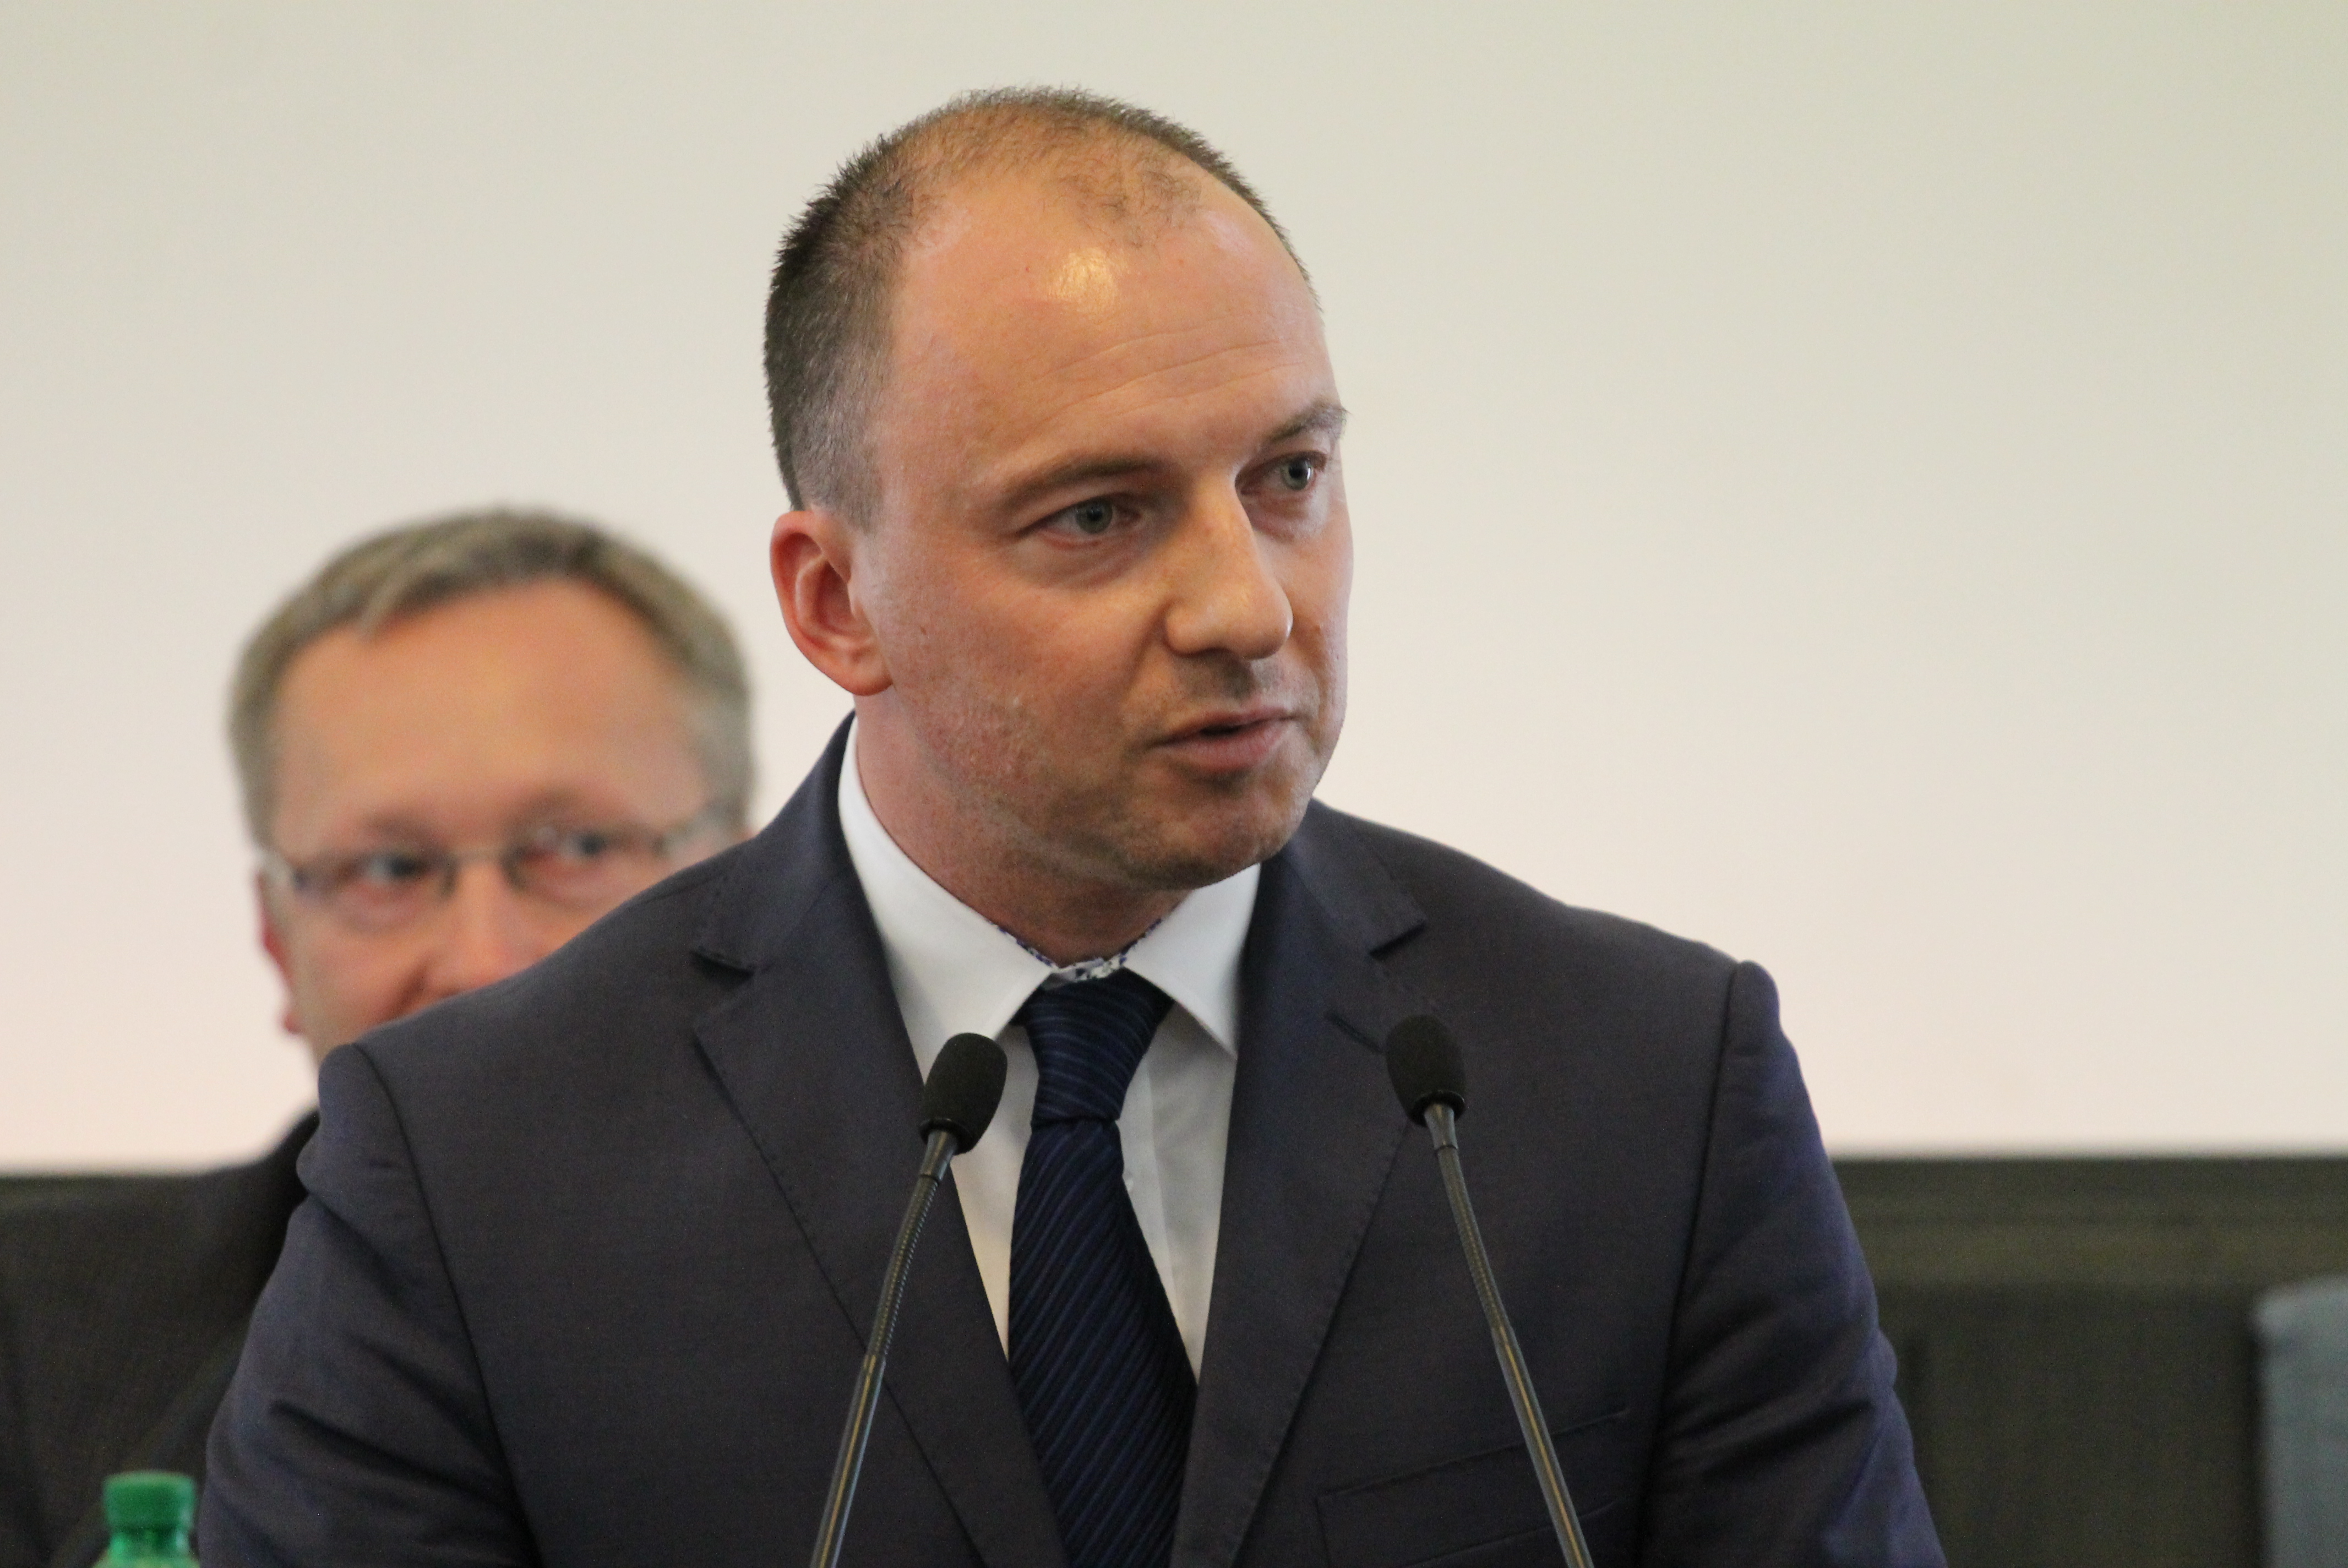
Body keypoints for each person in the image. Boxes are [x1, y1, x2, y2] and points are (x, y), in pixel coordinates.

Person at [203, 91, 1943, 1567]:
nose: (1247, 606)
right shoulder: (477, 1160)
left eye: (1289, 478)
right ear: (837, 605)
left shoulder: (1647, 1086)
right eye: (1099, 516)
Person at [0, 511, 750, 1568]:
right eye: (388, 870)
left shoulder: (950, 1281)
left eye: (576, 848)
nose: (481, 961)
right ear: (278, 942)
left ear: (750, 894)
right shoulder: (33, 1336)